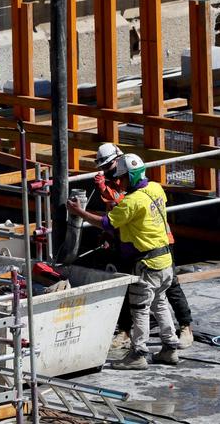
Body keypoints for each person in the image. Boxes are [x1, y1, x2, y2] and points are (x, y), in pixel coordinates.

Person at [68, 153, 180, 370]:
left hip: (147, 263)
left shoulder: (132, 201)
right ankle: (170, 347)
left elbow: (106, 223)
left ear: (132, 176)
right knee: (160, 302)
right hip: (165, 260)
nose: (119, 182)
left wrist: (79, 212)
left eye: (122, 178)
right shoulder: (156, 189)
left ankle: (138, 353)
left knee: (140, 308)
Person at [93, 143, 194, 351]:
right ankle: (127, 332)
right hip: (131, 241)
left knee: (169, 287)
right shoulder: (121, 178)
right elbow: (121, 212)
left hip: (156, 241)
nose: (108, 172)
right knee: (129, 286)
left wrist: (105, 192)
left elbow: (127, 205)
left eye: (109, 167)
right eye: (104, 168)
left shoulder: (134, 183)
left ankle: (184, 327)